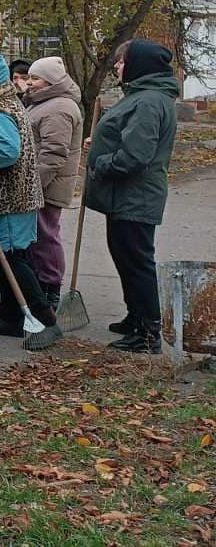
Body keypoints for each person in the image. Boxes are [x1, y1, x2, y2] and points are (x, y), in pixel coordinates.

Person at [86, 40, 180, 353]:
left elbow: (136, 155)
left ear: (139, 65)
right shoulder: (143, 96)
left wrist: (101, 163)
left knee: (137, 261)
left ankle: (149, 332)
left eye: (122, 61)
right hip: (126, 197)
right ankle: (136, 317)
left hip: (135, 196)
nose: (116, 66)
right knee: (125, 256)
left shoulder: (150, 101)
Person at [0, 54, 59, 343]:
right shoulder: (5, 104)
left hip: (8, 199)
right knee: (4, 258)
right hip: (15, 197)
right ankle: (10, 317)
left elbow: (4, 151)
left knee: (13, 260)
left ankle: (46, 321)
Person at [23, 56, 83, 307]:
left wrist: (33, 185)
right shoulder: (44, 103)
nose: (29, 83)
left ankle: (50, 288)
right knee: (38, 237)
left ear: (50, 81)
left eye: (35, 78)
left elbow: (54, 153)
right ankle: (42, 283)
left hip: (47, 185)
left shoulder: (58, 108)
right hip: (41, 182)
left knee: (46, 236)